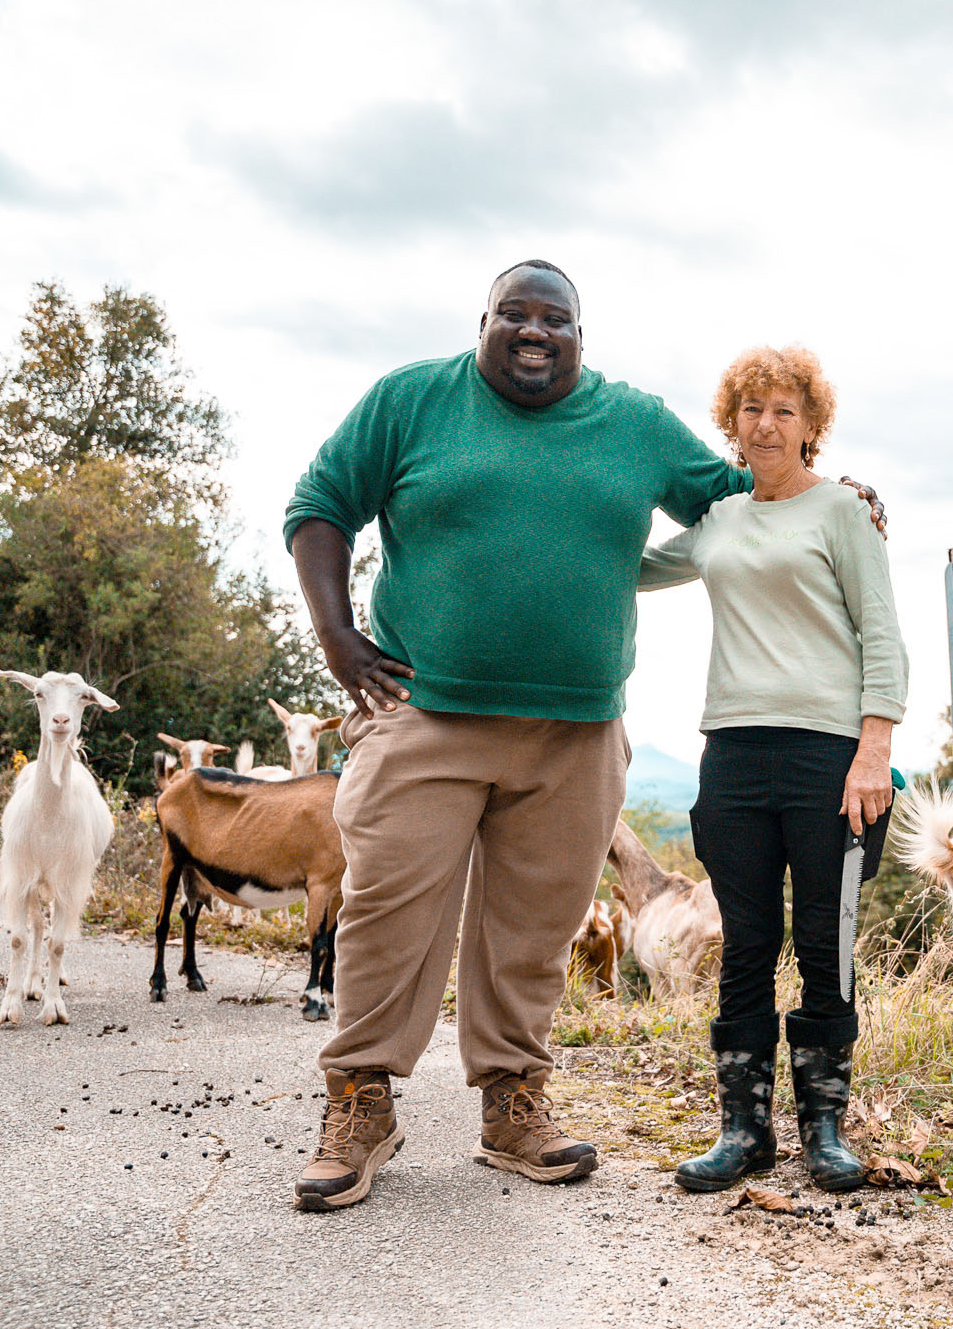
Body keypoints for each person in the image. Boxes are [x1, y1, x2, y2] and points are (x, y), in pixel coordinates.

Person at [279, 263, 883, 1212]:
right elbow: (318, 507)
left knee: (536, 927)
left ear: (578, 336)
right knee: (389, 909)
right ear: (481, 322)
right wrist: (338, 636)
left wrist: (836, 496)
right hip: (424, 712)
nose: (533, 330)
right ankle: (361, 1101)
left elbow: (743, 496)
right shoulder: (411, 401)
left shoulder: (633, 424)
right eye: (512, 314)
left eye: (553, 318)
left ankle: (513, 1104)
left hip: (576, 731)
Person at [638, 346, 907, 1193]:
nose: (766, 424)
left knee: (827, 946)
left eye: (785, 410)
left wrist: (874, 752)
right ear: (733, 421)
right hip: (734, 755)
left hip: (830, 757)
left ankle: (824, 1129)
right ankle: (743, 1131)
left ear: (813, 426)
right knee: (746, 945)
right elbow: (634, 569)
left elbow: (882, 637)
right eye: (752, 408)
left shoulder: (844, 513)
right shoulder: (719, 519)